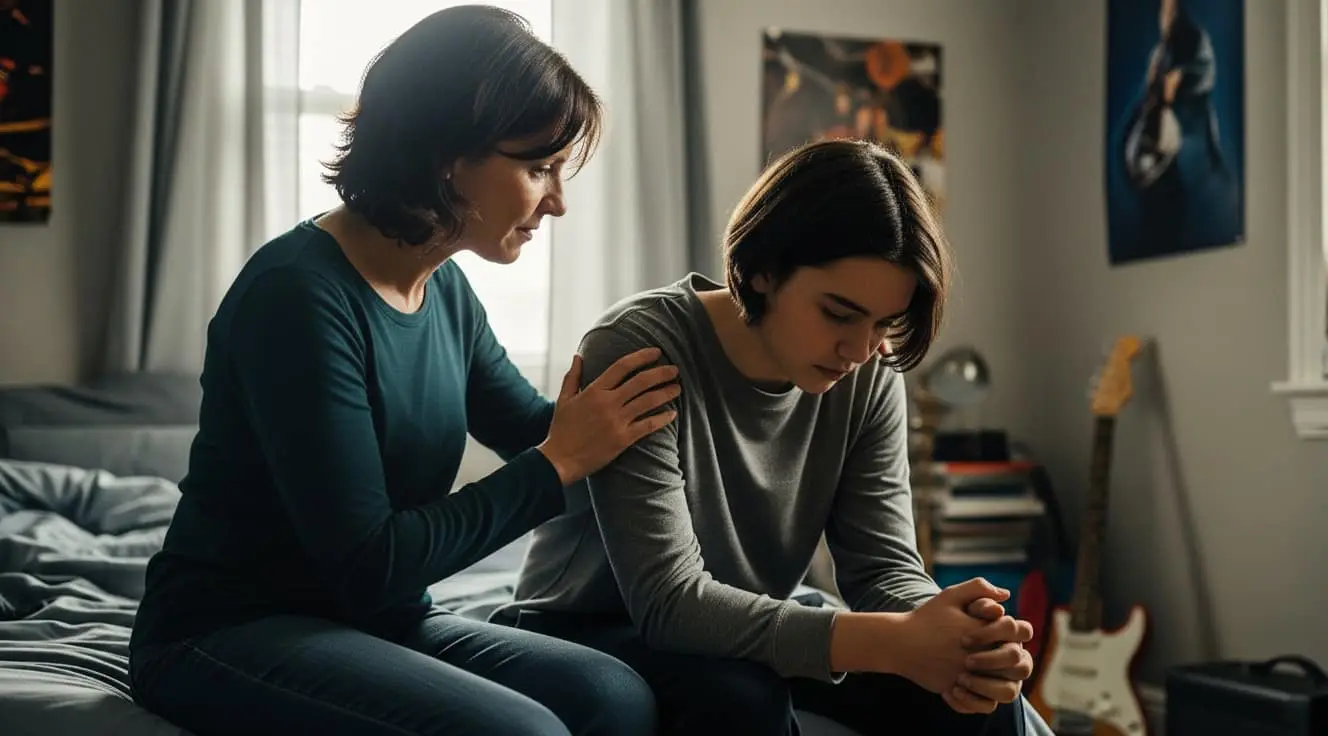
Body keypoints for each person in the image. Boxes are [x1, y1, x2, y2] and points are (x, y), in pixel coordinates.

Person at [127, 7, 679, 736]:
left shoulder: (442, 288)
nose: (558, 202)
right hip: (225, 630)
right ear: (449, 154)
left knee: (614, 695)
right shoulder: (297, 297)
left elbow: (538, 429)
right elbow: (373, 560)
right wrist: (557, 464)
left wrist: (682, 406)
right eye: (537, 167)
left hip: (377, 620)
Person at [504, 138, 1050, 735]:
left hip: (749, 621)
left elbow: (883, 568)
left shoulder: (867, 369)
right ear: (763, 270)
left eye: (884, 324)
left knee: (977, 697)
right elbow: (669, 603)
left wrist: (953, 635)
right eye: (839, 314)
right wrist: (890, 643)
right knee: (742, 699)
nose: (861, 350)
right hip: (592, 623)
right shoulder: (640, 347)